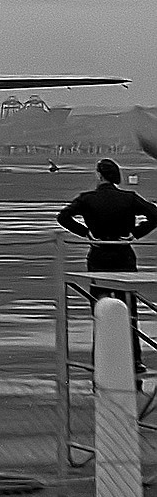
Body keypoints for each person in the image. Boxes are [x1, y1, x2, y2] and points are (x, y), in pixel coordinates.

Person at [57, 158, 157, 374]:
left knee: (99, 308)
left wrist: (85, 233)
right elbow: (155, 214)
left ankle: (101, 359)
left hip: (99, 256)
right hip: (124, 255)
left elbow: (63, 217)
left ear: (99, 175)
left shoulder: (88, 199)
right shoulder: (128, 198)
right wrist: (136, 234)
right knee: (129, 310)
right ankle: (135, 360)